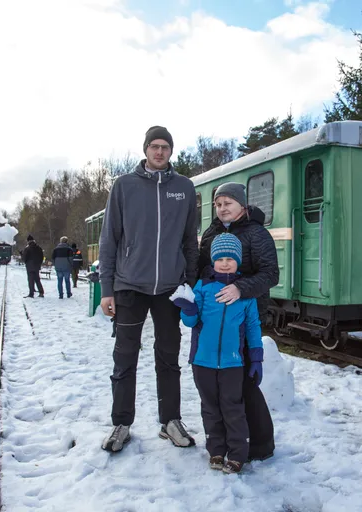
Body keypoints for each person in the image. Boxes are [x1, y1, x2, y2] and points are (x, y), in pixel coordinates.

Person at [98, 125, 199, 453]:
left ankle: (170, 421)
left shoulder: (184, 188)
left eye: (165, 147)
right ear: (145, 150)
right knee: (124, 357)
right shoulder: (124, 186)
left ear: (171, 151)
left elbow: (189, 240)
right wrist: (107, 288)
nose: (159, 152)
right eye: (154, 146)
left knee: (168, 358)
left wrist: (189, 282)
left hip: (170, 287)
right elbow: (109, 238)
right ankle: (121, 424)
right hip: (129, 286)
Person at [198, 182, 279, 461]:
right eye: (218, 204)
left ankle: (260, 443)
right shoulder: (212, 233)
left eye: (228, 203)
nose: (222, 209)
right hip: (213, 319)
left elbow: (271, 274)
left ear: (241, 205)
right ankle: (223, 443)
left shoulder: (257, 234)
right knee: (217, 385)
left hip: (244, 318)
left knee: (243, 382)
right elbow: (201, 267)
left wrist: (240, 288)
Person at [172, 234, 263, 474]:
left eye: (230, 259)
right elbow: (191, 322)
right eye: (220, 258)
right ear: (212, 261)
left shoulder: (244, 293)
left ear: (238, 261)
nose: (224, 263)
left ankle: (237, 454)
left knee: (233, 408)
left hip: (233, 363)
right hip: (203, 362)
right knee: (210, 408)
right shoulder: (203, 287)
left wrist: (256, 358)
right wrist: (189, 309)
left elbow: (253, 326)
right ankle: (216, 450)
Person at [22, 234, 44, 298]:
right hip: (37, 266)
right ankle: (41, 292)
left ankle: (31, 294)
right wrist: (39, 264)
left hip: (29, 266)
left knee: (30, 280)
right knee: (37, 280)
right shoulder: (39, 248)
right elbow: (41, 257)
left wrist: (22, 256)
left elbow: (24, 258)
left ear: (28, 241)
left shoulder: (27, 248)